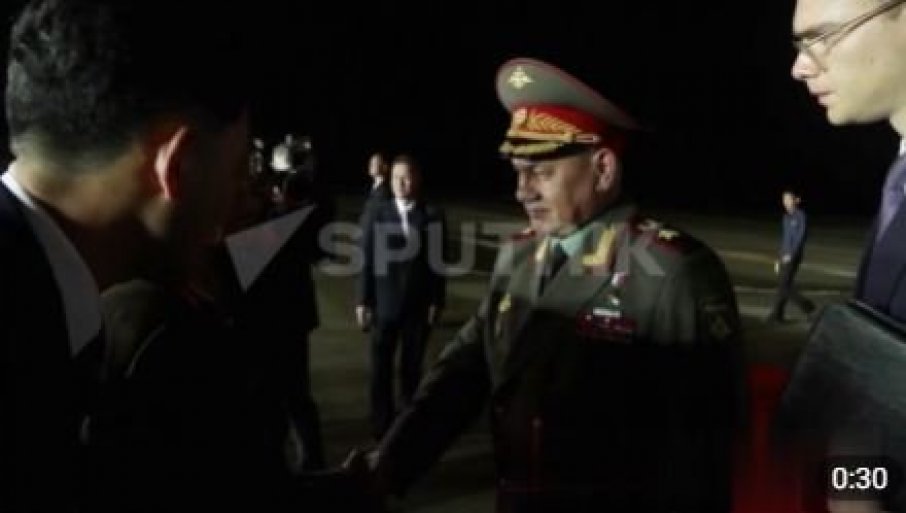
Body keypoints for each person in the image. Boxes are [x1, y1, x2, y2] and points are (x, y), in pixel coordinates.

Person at [349, 58, 743, 513]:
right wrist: (387, 467)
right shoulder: (516, 257)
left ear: (603, 169)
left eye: (541, 172)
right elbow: (461, 375)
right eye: (518, 171)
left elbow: (702, 460)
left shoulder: (674, 273)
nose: (522, 190)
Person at [0, 0, 249, 510]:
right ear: (176, 166)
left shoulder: (48, 297)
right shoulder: (23, 333)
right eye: (237, 170)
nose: (241, 200)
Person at [356, 155, 447, 439]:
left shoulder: (432, 215)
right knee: (380, 370)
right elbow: (366, 259)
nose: (401, 183)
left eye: (406, 177)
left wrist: (437, 300)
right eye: (396, 178)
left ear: (417, 179)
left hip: (417, 307)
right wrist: (362, 300)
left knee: (412, 370)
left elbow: (438, 263)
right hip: (384, 305)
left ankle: (406, 428)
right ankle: (381, 426)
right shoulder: (378, 213)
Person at [766, 189, 816, 322]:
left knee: (785, 286)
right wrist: (779, 258)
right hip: (784, 256)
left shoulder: (801, 216)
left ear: (796, 200)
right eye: (784, 199)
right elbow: (785, 240)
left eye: (788, 199)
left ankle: (808, 307)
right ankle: (778, 314)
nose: (786, 202)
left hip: (794, 256)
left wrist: (791, 255)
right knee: (783, 285)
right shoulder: (786, 218)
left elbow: (800, 238)